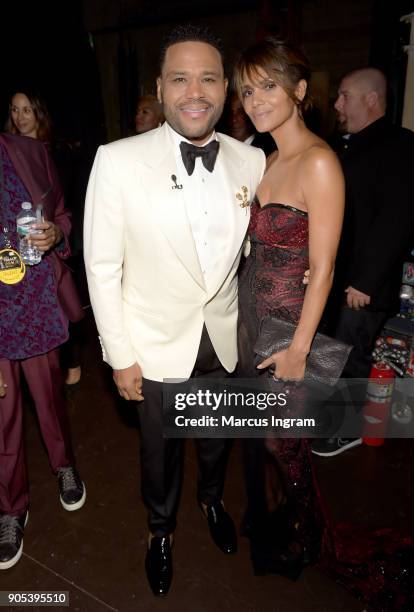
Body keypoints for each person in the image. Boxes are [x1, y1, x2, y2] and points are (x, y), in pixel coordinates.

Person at [84, 25, 265, 597]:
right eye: (181, 78)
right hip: (154, 341)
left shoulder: (251, 160)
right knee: (159, 454)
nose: (195, 91)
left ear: (225, 91)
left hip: (224, 337)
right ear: (160, 89)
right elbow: (101, 266)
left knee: (215, 440)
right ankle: (160, 531)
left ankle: (212, 502)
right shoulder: (117, 160)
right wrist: (119, 356)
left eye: (208, 78)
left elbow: (256, 250)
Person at [233, 37, 344, 576]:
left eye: (267, 86)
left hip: (288, 329)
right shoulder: (269, 158)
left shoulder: (319, 162)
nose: (254, 100)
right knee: (267, 438)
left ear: (300, 90)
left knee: (287, 444)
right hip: (253, 322)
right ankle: (281, 514)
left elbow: (322, 268)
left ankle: (312, 536)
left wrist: (300, 348)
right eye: (247, 90)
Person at [312, 68, 414, 457]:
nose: (337, 105)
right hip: (338, 278)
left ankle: (347, 430)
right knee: (330, 356)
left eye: (344, 96)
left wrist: (366, 281)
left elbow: (399, 217)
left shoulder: (401, 145)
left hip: (362, 286)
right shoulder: (349, 146)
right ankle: (326, 422)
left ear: (371, 99)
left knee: (351, 357)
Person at [0, 132, 86, 571]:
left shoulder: (30, 153)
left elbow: (65, 217)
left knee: (49, 400)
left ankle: (63, 464)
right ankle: (11, 508)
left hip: (33, 305)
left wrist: (56, 232)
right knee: (3, 419)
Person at [6, 90, 83, 387]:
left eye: (27, 110)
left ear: (39, 113)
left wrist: (57, 232)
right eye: (14, 110)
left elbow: (65, 205)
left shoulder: (55, 153)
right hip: (17, 258)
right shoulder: (7, 153)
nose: (20, 117)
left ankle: (71, 357)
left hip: (52, 250)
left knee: (67, 301)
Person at [227, 90, 276, 156]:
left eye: (240, 112)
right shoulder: (224, 148)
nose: (234, 119)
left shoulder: (267, 151)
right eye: (230, 112)